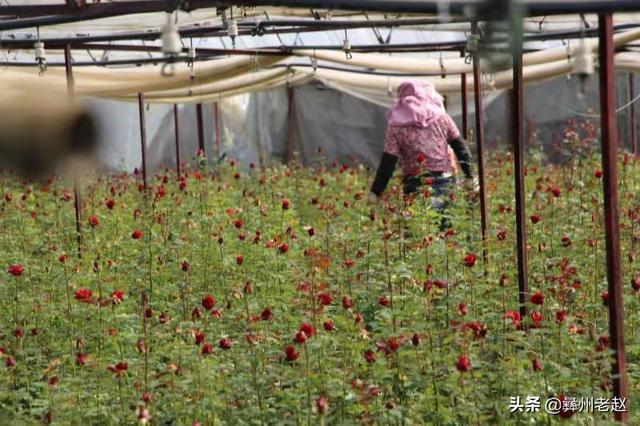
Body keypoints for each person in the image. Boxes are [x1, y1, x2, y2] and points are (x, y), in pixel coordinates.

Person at [369, 81, 478, 225]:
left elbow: (388, 161)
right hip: (444, 181)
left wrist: (376, 192)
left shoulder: (395, 125)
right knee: (444, 229)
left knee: (418, 232)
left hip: (415, 183)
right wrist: (469, 175)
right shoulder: (442, 118)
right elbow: (460, 146)